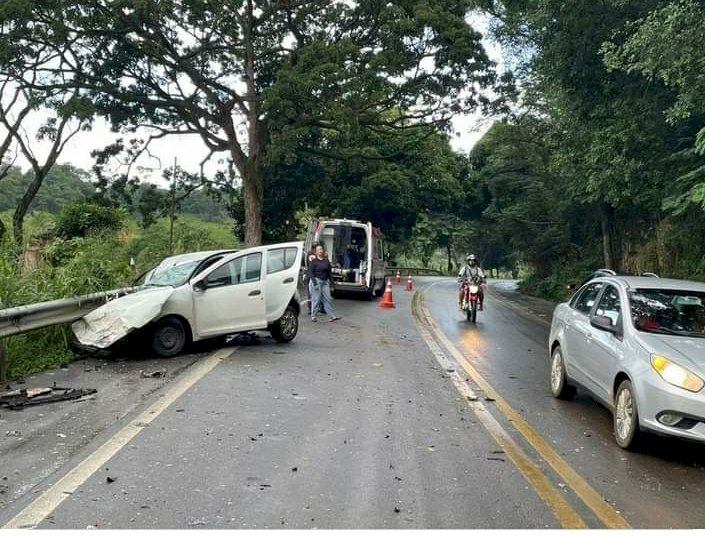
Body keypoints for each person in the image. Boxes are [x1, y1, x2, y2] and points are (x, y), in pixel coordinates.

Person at [308, 244, 340, 322]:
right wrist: (315, 283)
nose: (320, 251)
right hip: (317, 281)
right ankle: (313, 316)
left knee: (328, 298)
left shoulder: (326, 261)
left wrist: (332, 284)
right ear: (316, 252)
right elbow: (310, 273)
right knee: (316, 299)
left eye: (321, 249)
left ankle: (332, 316)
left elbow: (329, 273)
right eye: (318, 250)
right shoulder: (314, 261)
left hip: (325, 282)